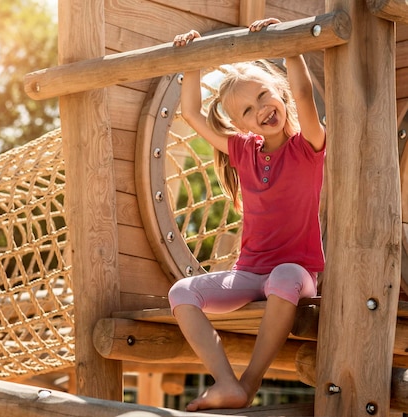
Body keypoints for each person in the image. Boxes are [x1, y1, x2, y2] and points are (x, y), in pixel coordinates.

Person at [168, 18, 326, 411]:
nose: (261, 110)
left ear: (280, 93)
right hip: (250, 273)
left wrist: (290, 46)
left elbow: (305, 95)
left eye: (263, 97)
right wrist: (192, 60)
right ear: (239, 125)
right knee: (181, 292)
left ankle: (249, 382)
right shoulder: (242, 151)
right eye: (248, 110)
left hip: (296, 276)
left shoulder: (307, 145)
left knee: (285, 276)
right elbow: (190, 112)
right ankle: (226, 383)